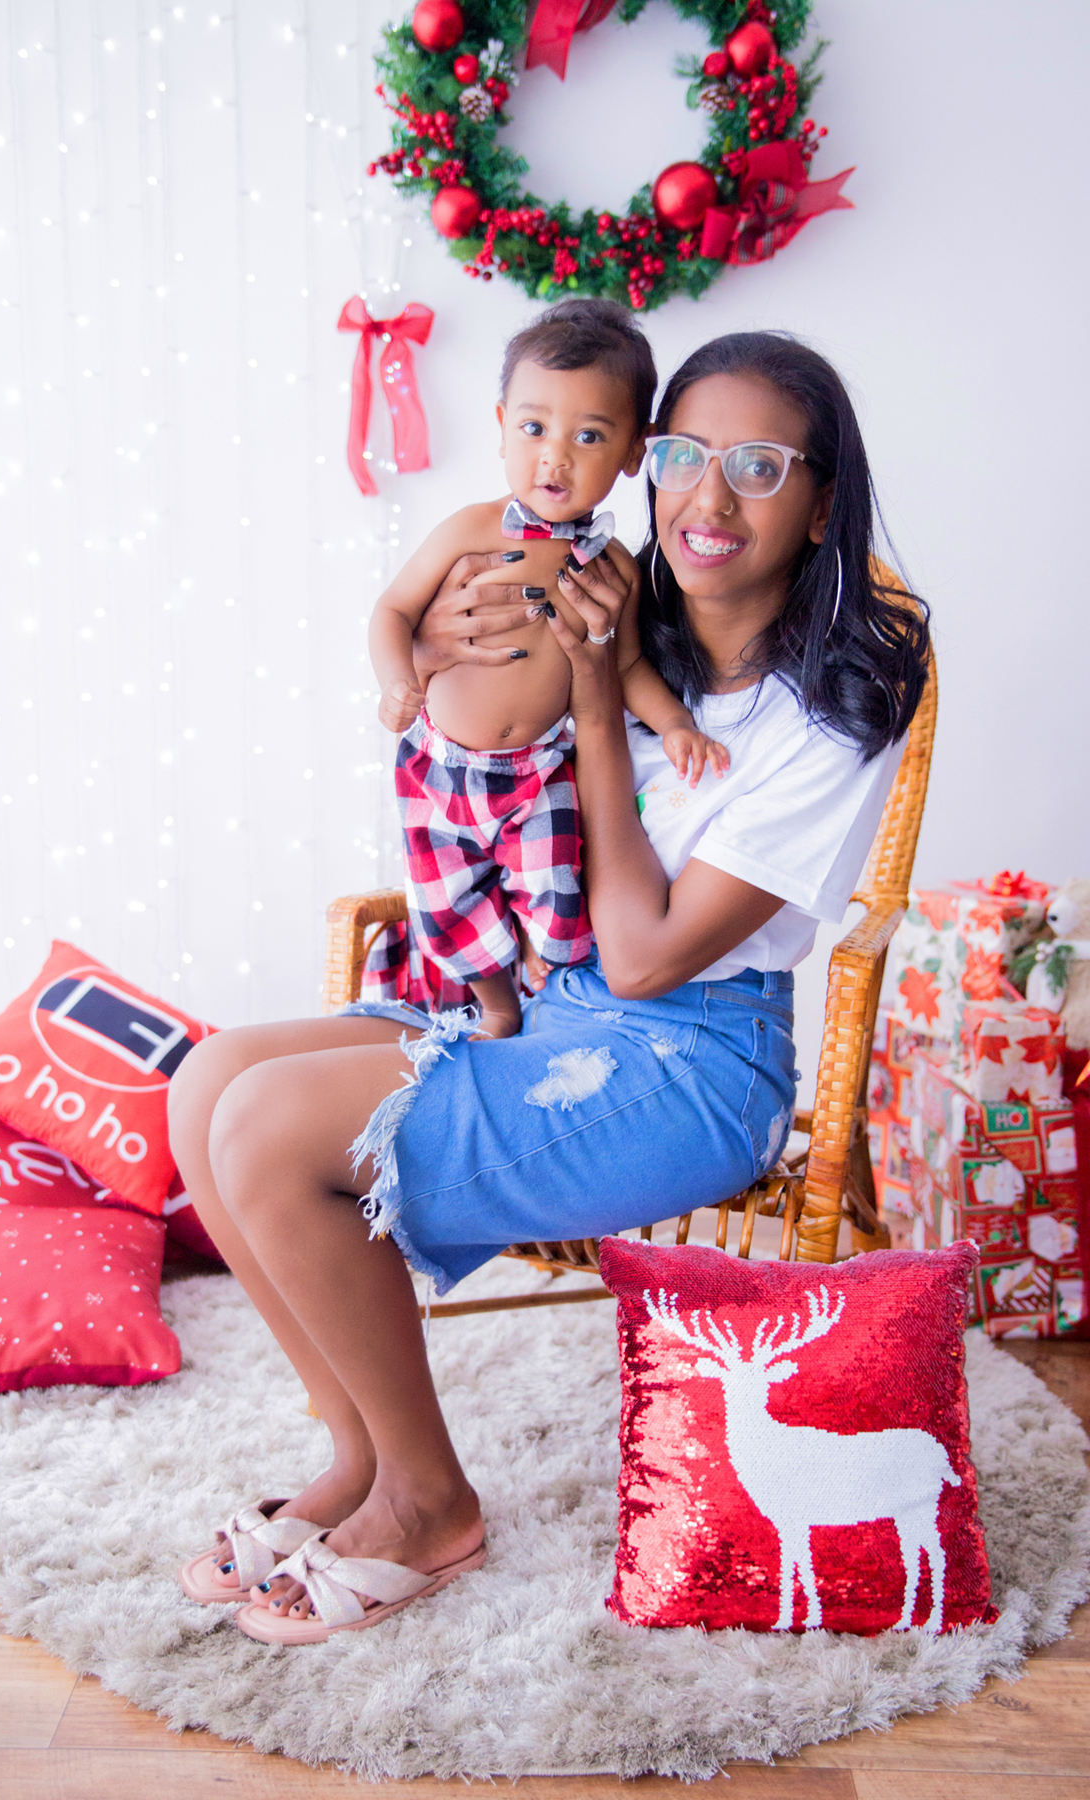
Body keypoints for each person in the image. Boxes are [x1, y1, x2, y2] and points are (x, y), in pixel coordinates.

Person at [168, 330, 930, 1646]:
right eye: (685, 455)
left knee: (271, 1134)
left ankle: (428, 1503)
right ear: (648, 463)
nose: (710, 496)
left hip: (685, 1060)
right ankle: (357, 1455)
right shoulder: (603, 594)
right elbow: (447, 699)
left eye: (759, 465)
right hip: (546, 993)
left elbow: (642, 954)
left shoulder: (835, 701)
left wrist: (588, 697)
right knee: (206, 1085)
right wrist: (449, 634)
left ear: (819, 502)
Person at [366, 297, 725, 1036]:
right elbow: (393, 610)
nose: (554, 456)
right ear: (500, 426)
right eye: (534, 428)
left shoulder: (611, 567)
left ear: (633, 453)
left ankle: (550, 990)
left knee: (560, 902)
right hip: (439, 769)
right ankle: (496, 1011)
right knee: (446, 903)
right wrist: (397, 679)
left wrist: (676, 722)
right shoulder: (469, 529)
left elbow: (623, 669)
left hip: (537, 776)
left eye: (589, 435)